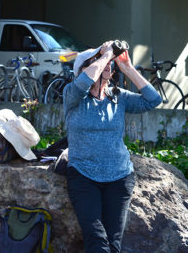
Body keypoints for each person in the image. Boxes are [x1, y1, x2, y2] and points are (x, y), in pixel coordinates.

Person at [63, 41, 162, 253]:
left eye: (109, 62)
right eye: (98, 61)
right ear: (82, 70)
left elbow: (153, 100)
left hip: (119, 177)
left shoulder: (118, 97)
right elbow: (82, 85)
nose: (107, 64)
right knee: (97, 240)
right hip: (83, 176)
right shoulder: (72, 95)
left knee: (113, 244)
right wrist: (104, 55)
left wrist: (127, 68)